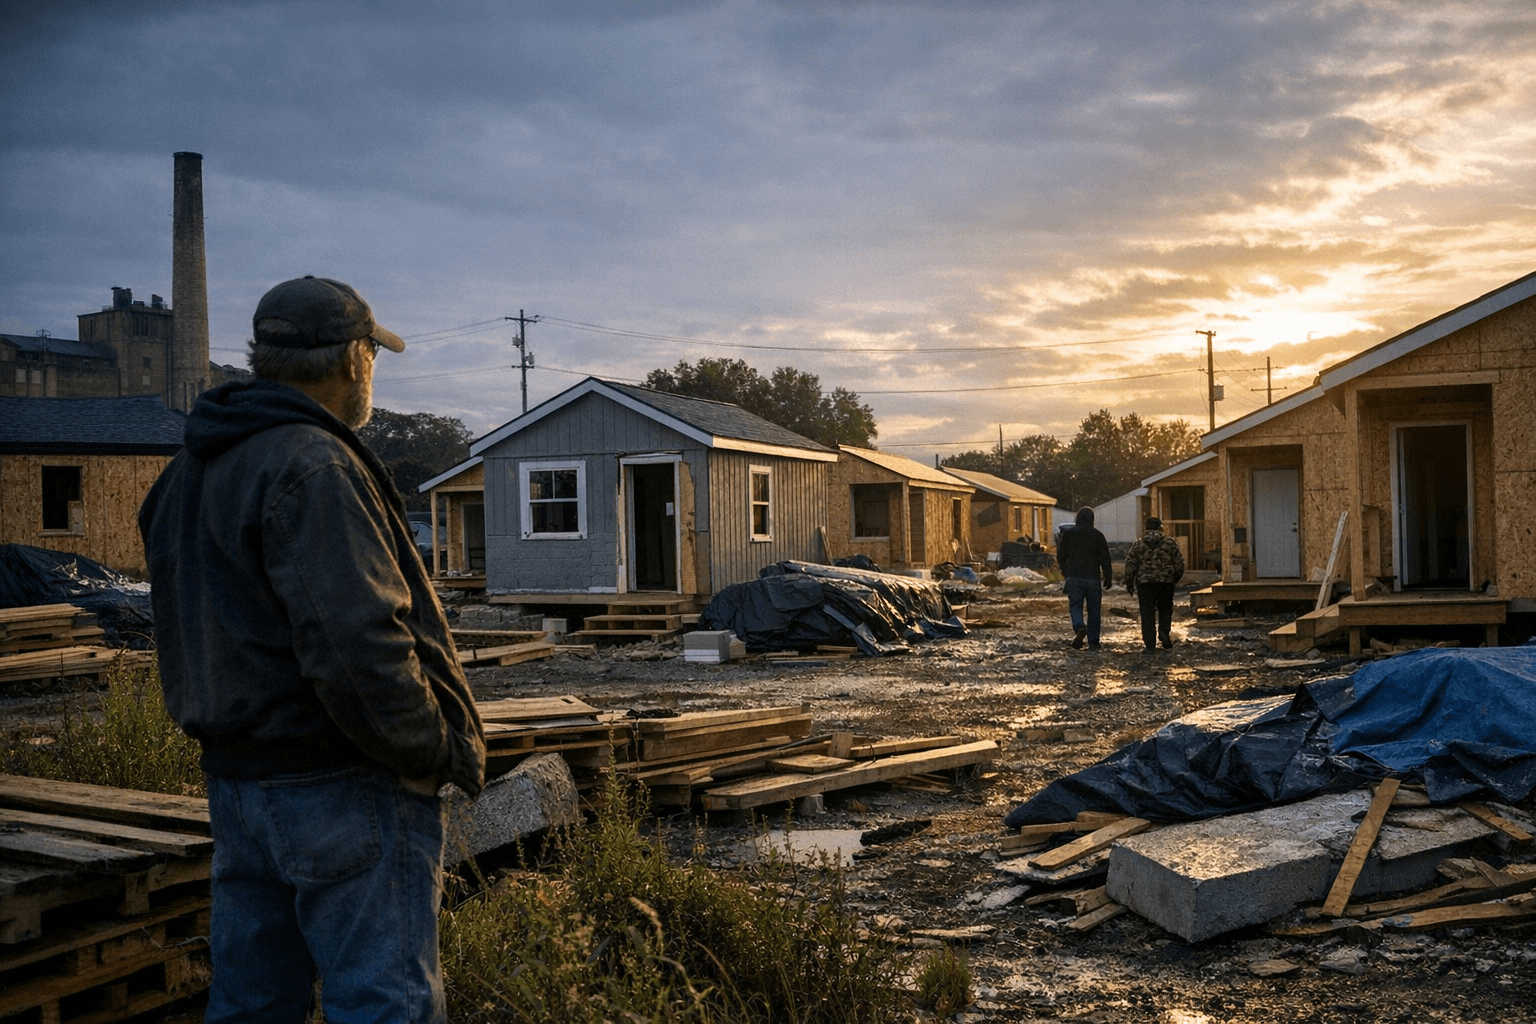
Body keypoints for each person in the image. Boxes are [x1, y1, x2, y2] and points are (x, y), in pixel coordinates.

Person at [138, 276, 486, 1024]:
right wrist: (428, 751)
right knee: (383, 1003)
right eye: (374, 356)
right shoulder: (315, 464)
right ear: (355, 359)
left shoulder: (189, 471)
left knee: (252, 1003)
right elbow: (360, 641)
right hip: (340, 784)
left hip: (239, 786)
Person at [1124, 515, 1185, 652]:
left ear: (1146, 529)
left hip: (1145, 583)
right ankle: (1164, 633)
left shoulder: (1138, 544)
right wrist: (1174, 579)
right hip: (1166, 582)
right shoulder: (1170, 543)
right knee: (1165, 609)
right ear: (1160, 528)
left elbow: (1130, 564)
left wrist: (1129, 582)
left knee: (1147, 613)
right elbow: (1179, 564)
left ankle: (1150, 644)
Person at [1056, 506, 1113, 651]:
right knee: (1094, 610)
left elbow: (1061, 556)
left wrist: (1066, 572)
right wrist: (1108, 576)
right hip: (1093, 578)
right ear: (1092, 519)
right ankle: (1093, 642)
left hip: (1074, 577)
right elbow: (1105, 558)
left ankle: (1079, 627)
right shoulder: (1097, 535)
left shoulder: (1069, 534)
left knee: (1075, 606)